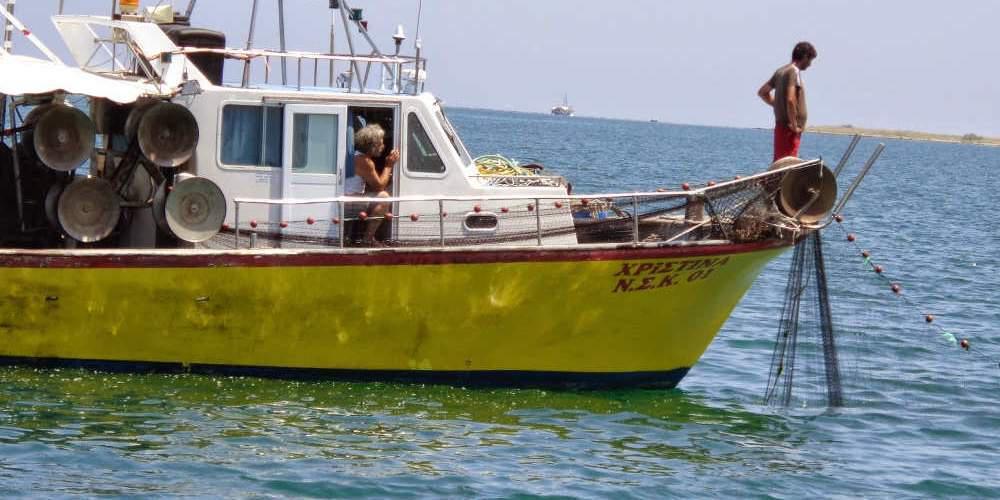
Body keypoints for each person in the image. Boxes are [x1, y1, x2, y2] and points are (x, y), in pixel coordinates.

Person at [757, 41, 817, 162]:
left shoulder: (781, 71)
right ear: (805, 56)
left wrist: (777, 104)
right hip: (790, 130)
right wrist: (794, 125)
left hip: (781, 127)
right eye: (810, 60)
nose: (810, 64)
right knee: (788, 163)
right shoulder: (793, 71)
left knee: (780, 162)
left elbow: (763, 92)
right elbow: (790, 99)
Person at [347, 123, 399, 245]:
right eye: (380, 143)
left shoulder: (356, 156)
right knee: (384, 197)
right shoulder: (364, 161)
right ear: (372, 145)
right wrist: (388, 165)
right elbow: (379, 186)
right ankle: (368, 239)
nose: (383, 146)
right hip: (350, 201)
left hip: (351, 198)